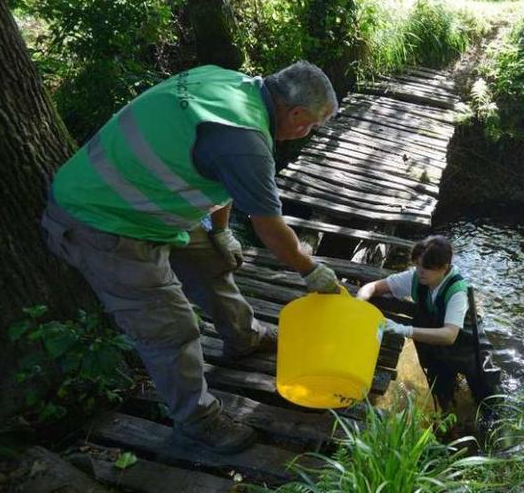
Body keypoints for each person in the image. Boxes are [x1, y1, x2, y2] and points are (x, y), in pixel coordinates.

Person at [40, 61, 341, 454]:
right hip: (101, 220)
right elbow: (271, 230)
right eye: (312, 125)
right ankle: (197, 420)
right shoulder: (246, 142)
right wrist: (312, 271)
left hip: (146, 204)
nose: (308, 132)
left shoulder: (229, 83)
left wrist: (220, 232)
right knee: (171, 328)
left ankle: (242, 337)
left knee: (212, 262)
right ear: (296, 113)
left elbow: (219, 174)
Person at [357, 236, 500, 413]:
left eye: (426, 268)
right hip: (436, 351)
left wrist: (405, 330)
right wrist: (359, 304)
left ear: (444, 268)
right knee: (443, 397)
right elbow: (373, 287)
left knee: (487, 400)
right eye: (417, 265)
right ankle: (451, 424)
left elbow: (449, 335)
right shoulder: (416, 277)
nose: (420, 271)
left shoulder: (457, 292)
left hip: (468, 348)